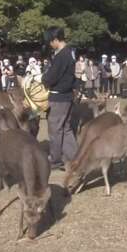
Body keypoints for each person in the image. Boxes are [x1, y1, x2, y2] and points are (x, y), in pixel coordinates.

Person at [41, 27, 78, 170]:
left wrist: (43, 79)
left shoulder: (62, 55)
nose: (50, 45)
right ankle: (75, 157)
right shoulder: (70, 53)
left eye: (50, 42)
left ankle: (55, 160)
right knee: (66, 129)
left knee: (55, 129)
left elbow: (52, 76)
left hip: (58, 97)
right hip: (67, 96)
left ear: (56, 40)